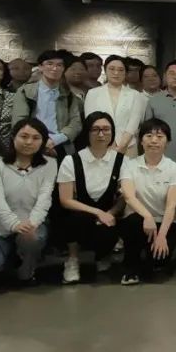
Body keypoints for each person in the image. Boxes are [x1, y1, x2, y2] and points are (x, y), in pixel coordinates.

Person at [0, 118, 57, 286]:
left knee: (32, 239)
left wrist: (31, 224)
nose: (29, 142)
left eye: (36, 138)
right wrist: (14, 224)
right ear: (13, 137)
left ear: (43, 141)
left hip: (31, 227)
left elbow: (44, 199)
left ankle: (28, 267)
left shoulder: (50, 164)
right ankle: (9, 258)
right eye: (24, 136)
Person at [55, 112, 125, 284]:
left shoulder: (122, 161)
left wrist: (110, 213)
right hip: (80, 214)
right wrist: (97, 212)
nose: (101, 134)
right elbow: (65, 200)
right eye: (95, 129)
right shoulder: (71, 161)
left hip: (109, 214)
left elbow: (124, 196)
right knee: (74, 219)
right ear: (87, 132)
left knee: (111, 229)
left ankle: (103, 255)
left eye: (106, 129)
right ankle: (72, 260)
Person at [119, 118, 176, 285]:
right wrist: (147, 216)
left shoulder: (175, 168)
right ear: (141, 140)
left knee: (158, 262)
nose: (154, 140)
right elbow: (129, 196)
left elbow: (171, 206)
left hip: (164, 222)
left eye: (160, 136)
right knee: (132, 223)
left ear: (167, 142)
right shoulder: (129, 165)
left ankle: (151, 260)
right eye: (149, 136)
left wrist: (162, 235)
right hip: (138, 220)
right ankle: (130, 268)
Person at [13, 49, 83, 159]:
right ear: (40, 67)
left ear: (63, 69)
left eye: (59, 65)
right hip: (30, 143)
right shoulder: (25, 92)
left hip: (61, 145)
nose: (54, 68)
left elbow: (76, 124)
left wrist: (54, 140)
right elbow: (19, 122)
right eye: (50, 64)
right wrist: (39, 140)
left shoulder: (69, 95)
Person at [83, 55, 146, 156]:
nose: (116, 73)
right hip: (100, 143)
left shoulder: (135, 95)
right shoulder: (93, 93)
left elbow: (134, 121)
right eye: (112, 69)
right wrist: (108, 143)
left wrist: (122, 145)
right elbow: (91, 120)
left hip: (128, 146)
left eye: (121, 70)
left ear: (125, 72)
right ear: (105, 70)